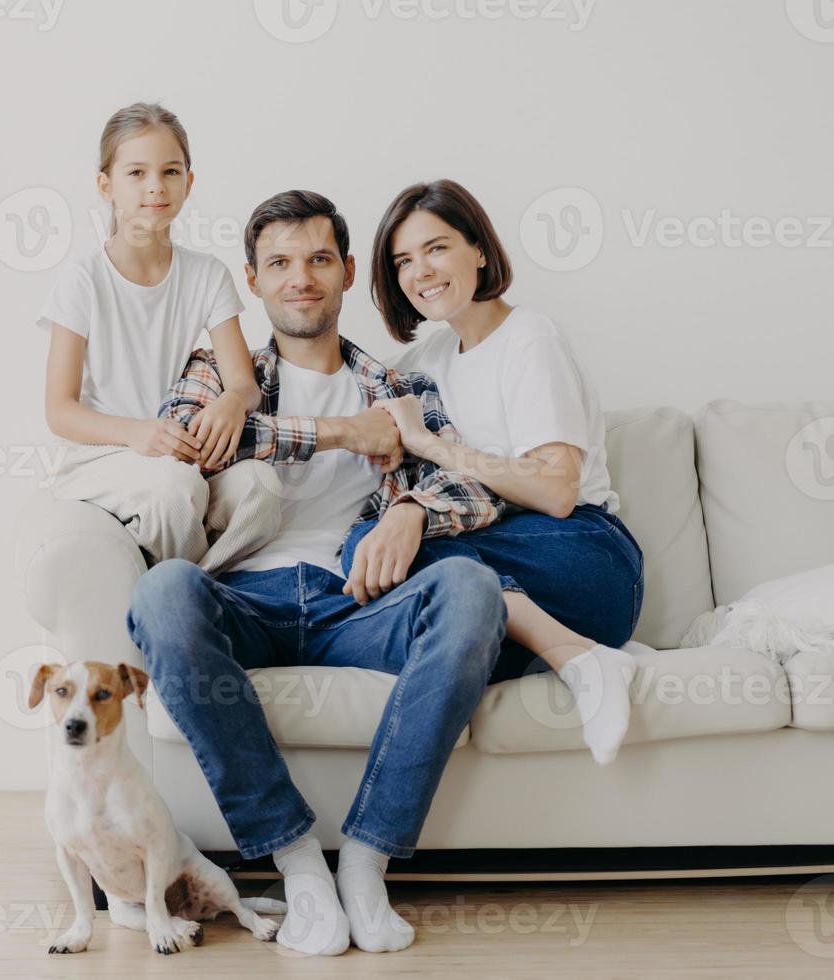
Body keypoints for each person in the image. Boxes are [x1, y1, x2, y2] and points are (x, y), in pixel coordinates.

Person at [128, 190, 508, 956]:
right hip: (244, 602)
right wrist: (338, 432)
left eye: (318, 260)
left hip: (355, 601)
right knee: (162, 593)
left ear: (343, 275)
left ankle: (366, 862)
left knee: (471, 587)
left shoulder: (398, 388)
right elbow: (186, 445)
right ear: (253, 280)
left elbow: (473, 484)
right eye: (279, 263)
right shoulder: (220, 371)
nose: (299, 277)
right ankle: (299, 864)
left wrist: (411, 514)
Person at [347, 179, 646, 765]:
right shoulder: (428, 358)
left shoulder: (529, 337)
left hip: (585, 556)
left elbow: (555, 491)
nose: (421, 272)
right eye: (404, 260)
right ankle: (560, 650)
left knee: (415, 548)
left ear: (479, 249)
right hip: (505, 579)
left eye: (436, 248)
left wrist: (428, 450)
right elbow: (353, 389)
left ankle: (582, 658)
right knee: (364, 543)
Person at [39, 103, 278, 572]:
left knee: (263, 488)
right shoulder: (83, 280)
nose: (156, 186)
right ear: (105, 185)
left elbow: (243, 383)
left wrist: (231, 404)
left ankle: (201, 586)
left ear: (189, 182)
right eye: (136, 172)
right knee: (175, 489)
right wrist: (136, 434)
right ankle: (181, 594)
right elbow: (59, 410)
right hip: (102, 454)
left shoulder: (206, 275)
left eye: (171, 171)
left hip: (178, 450)